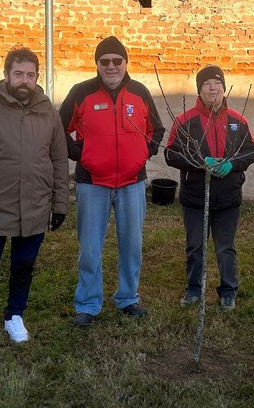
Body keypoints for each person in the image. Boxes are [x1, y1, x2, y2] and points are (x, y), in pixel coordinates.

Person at [0, 47, 69, 357]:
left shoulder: (48, 114)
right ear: (6, 75)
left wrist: (60, 204)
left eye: (30, 75)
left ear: (37, 78)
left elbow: (59, 160)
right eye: (18, 74)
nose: (24, 80)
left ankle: (14, 316)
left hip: (33, 207)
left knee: (23, 267)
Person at [59, 36, 164, 327]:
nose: (111, 66)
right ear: (97, 64)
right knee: (90, 247)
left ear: (125, 63)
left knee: (132, 244)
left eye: (117, 61)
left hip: (132, 182)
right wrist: (82, 154)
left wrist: (143, 153)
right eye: (104, 61)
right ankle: (88, 304)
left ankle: (128, 298)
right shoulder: (81, 93)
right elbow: (58, 127)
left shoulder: (140, 93)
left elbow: (156, 128)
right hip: (92, 182)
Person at [165, 65, 254, 312]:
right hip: (195, 197)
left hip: (228, 197)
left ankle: (228, 291)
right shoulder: (185, 121)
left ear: (224, 87)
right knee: (195, 245)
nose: (213, 88)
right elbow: (170, 154)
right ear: (199, 90)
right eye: (207, 84)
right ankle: (194, 288)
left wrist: (233, 164)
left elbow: (252, 151)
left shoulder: (238, 120)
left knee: (225, 247)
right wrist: (199, 163)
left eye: (217, 83)